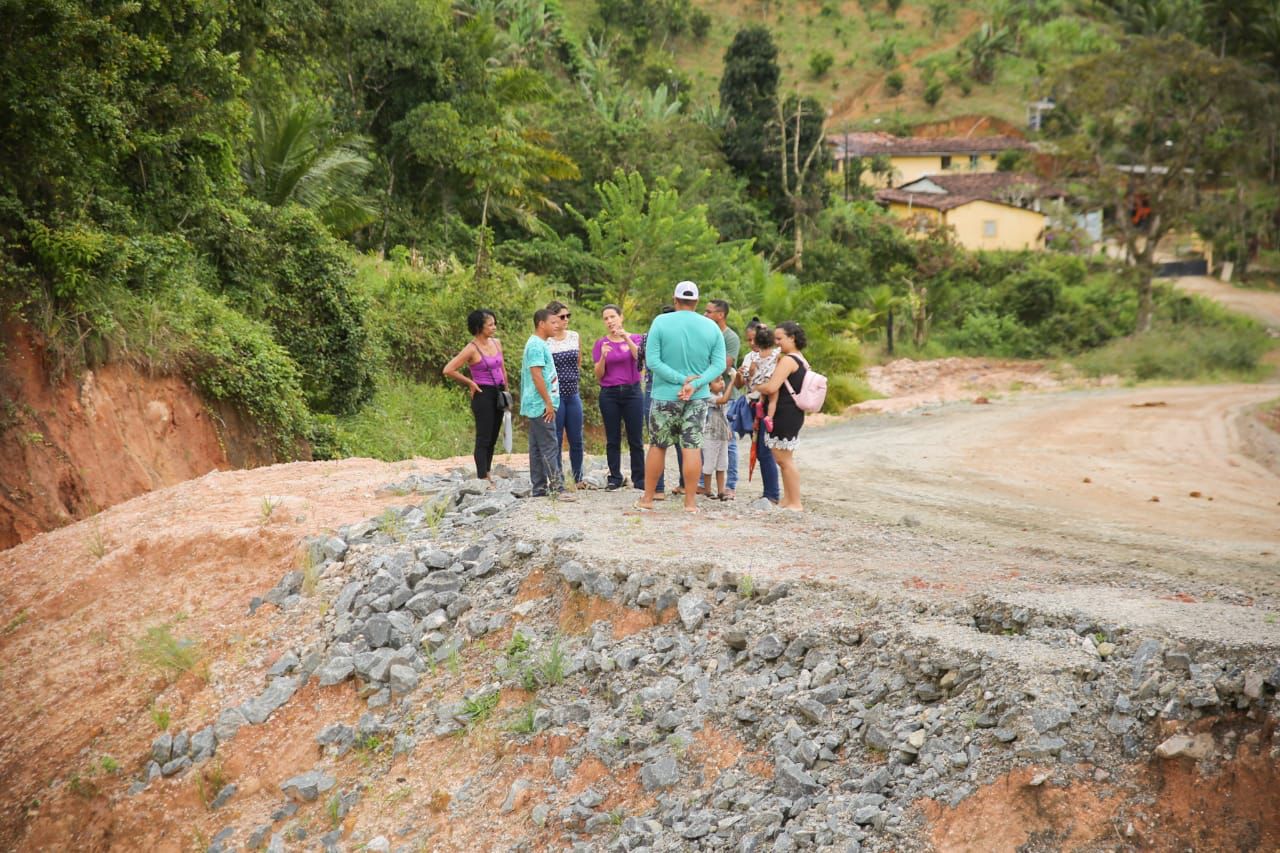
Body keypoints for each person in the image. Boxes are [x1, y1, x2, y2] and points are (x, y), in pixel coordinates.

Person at [635, 281, 725, 514]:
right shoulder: (711, 327)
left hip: (665, 394)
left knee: (658, 445)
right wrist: (694, 383)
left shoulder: (660, 322)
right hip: (698, 397)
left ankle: (647, 499)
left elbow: (652, 361)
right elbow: (718, 365)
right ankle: (690, 503)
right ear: (696, 302)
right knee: (692, 447)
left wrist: (679, 380)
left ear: (675, 300)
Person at [442, 308, 507, 481]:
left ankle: (488, 471)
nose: (494, 327)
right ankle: (482, 477)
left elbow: (502, 368)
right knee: (484, 436)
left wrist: (506, 391)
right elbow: (448, 369)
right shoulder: (471, 349)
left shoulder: (497, 343)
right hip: (483, 393)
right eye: (490, 324)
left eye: (495, 324)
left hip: (499, 391)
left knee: (494, 435)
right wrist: (470, 382)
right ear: (479, 327)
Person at [521, 308, 576, 501]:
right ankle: (558, 488)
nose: (558, 325)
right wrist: (548, 402)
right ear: (541, 324)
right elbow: (537, 375)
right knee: (550, 445)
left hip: (537, 403)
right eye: (553, 322)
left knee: (537, 447)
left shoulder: (538, 343)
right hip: (540, 403)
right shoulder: (536, 345)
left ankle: (539, 488)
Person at [592, 304, 646, 491]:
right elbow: (598, 374)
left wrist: (625, 337)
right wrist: (603, 358)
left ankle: (639, 478)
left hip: (632, 392)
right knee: (613, 438)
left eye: (612, 317)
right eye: (606, 318)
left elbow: (639, 358)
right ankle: (615, 477)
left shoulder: (635, 338)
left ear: (621, 317)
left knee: (635, 438)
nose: (609, 321)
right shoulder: (601, 344)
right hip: (609, 393)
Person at [756, 321, 808, 511]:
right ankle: (788, 499)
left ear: (792, 338)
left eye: (779, 339)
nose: (776, 343)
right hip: (792, 412)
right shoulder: (800, 358)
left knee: (784, 460)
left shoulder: (788, 360)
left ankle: (795, 501)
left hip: (785, 412)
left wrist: (756, 387)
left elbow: (771, 387)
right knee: (783, 459)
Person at [735, 323, 781, 504]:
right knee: (761, 450)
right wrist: (741, 375)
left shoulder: (778, 355)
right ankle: (769, 492)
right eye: (748, 340)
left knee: (765, 450)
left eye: (754, 339)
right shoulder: (749, 357)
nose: (751, 343)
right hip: (754, 405)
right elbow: (741, 383)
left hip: (768, 401)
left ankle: (772, 493)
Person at [702, 299, 740, 499]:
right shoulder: (704, 333)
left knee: (729, 444)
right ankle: (704, 485)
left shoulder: (731, 337)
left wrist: (705, 370)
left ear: (721, 315)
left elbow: (724, 365)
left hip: (727, 397)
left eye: (709, 312)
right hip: (708, 396)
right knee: (707, 446)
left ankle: (730, 486)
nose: (705, 315)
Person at [546, 300, 585, 488]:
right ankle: (557, 478)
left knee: (576, 437)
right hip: (556, 396)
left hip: (573, 393)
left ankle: (578, 478)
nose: (566, 319)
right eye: (562, 317)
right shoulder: (546, 341)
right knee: (557, 438)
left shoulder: (574, 336)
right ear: (553, 318)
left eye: (568, 316)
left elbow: (579, 361)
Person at [701, 376, 733, 499]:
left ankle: (721, 491)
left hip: (722, 434)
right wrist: (733, 381)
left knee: (722, 464)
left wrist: (728, 429)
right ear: (709, 386)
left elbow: (724, 415)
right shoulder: (708, 396)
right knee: (709, 464)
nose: (722, 382)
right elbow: (724, 400)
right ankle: (708, 490)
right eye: (717, 381)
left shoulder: (720, 394)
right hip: (710, 435)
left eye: (722, 379)